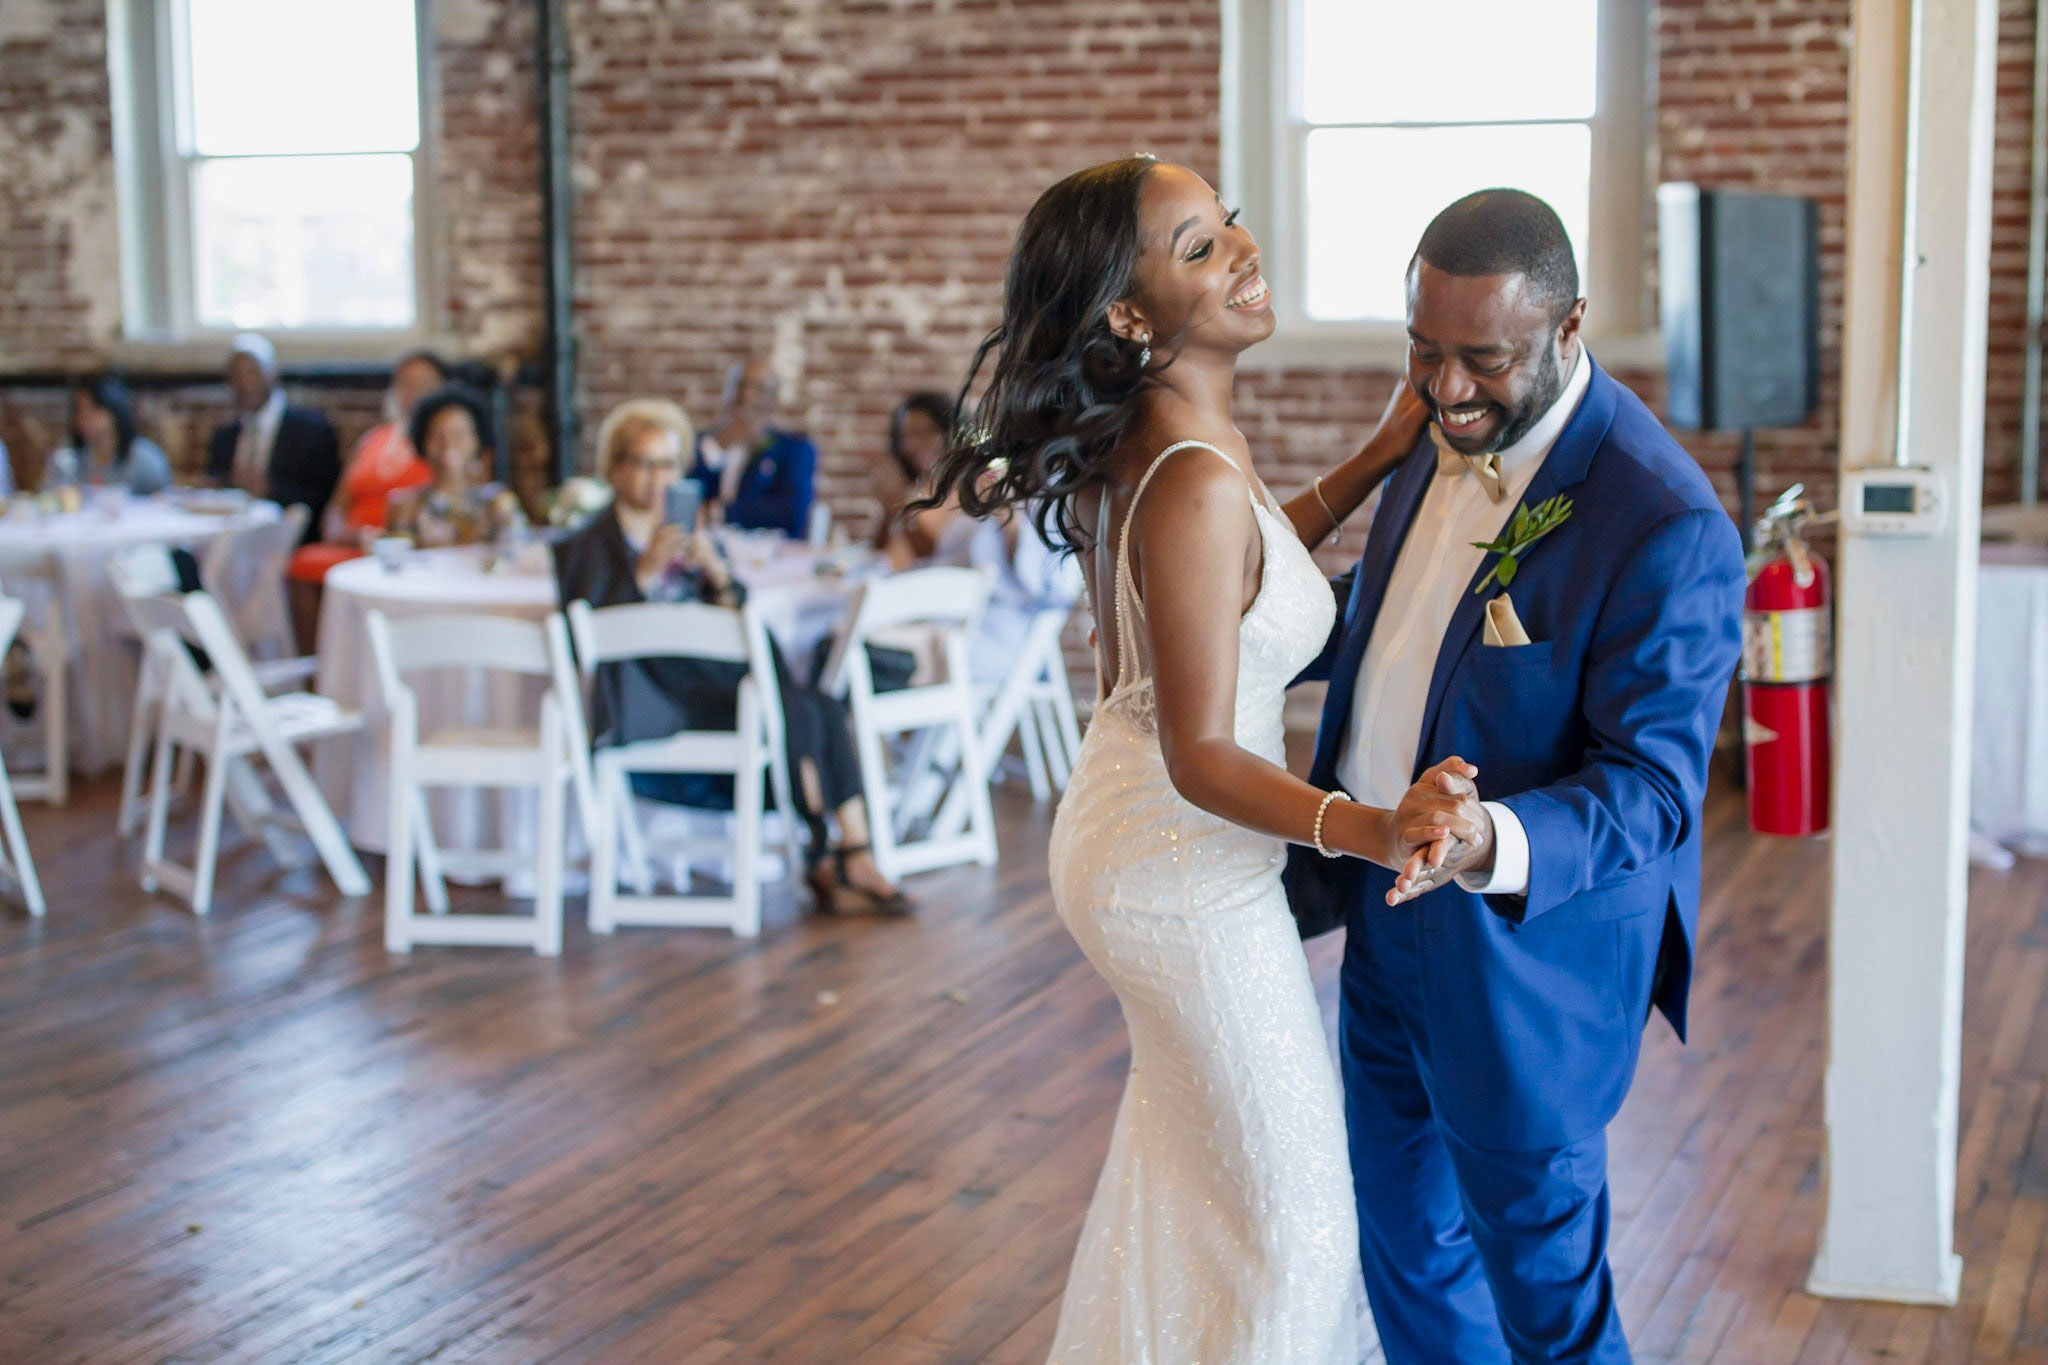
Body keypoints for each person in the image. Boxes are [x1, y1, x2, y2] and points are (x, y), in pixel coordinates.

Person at [915, 156, 1463, 1361]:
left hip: (1129, 842)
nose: (1241, 250)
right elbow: (1203, 753)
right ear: (1128, 312)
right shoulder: (1189, 473)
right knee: (1297, 1223)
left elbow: (1238, 571)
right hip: (1177, 866)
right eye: (1199, 247)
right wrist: (1370, 828)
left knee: (1189, 1180)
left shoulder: (1175, 444)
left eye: (1228, 223)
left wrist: (1378, 455)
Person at [1286, 190, 1745, 1364]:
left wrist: (1484, 835)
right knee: (1402, 1254)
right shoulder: (1430, 440)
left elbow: (1650, 788)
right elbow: (1384, 631)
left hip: (1517, 964)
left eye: (1480, 360)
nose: (1444, 389)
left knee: (1550, 1308)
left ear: (1568, 323)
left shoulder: (1659, 519)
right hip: (1380, 925)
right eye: (1422, 352)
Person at [555, 399, 911, 916]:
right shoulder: (584, 546)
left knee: (820, 703)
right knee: (791, 705)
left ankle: (850, 848)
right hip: (650, 692)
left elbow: (740, 615)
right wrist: (644, 575)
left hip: (705, 677)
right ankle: (824, 852)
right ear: (615, 468)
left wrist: (716, 574)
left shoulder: (685, 532)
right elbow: (583, 641)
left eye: (671, 464)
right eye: (645, 462)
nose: (660, 477)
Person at [284, 349, 448, 651]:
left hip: (406, 544)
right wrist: (346, 534)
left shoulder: (445, 441)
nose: (415, 392)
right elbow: (337, 504)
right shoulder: (374, 439)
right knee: (301, 563)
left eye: (424, 383)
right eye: (406, 383)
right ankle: (317, 669)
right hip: (353, 541)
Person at [204, 333, 340, 542]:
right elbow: (216, 483)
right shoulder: (224, 438)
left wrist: (271, 489)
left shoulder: (311, 431)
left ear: (272, 373)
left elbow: (324, 500)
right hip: (226, 533)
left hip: (286, 538)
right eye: (236, 375)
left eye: (252, 372)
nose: (244, 382)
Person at [688, 358, 817, 537]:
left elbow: (791, 513)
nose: (747, 395)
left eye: (759, 389)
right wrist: (720, 445)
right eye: (742, 386)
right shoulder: (706, 443)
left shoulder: (795, 450)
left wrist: (722, 512)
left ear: (773, 402)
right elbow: (688, 494)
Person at [384, 384, 516, 548]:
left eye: (459, 435)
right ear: (423, 442)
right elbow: (397, 563)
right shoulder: (406, 505)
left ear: (477, 441)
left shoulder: (497, 502)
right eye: (438, 435)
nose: (448, 444)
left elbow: (519, 553)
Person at [872, 391, 957, 566]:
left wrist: (901, 502)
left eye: (924, 432)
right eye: (907, 435)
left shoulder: (961, 487)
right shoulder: (915, 483)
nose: (913, 444)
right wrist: (888, 508)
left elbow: (931, 554)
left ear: (948, 432)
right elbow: (879, 550)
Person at [46, 377, 171, 495]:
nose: (84, 417)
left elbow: (166, 502)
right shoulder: (66, 459)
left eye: (94, 409)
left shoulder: (145, 459)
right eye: (79, 410)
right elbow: (49, 498)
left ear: (115, 410)